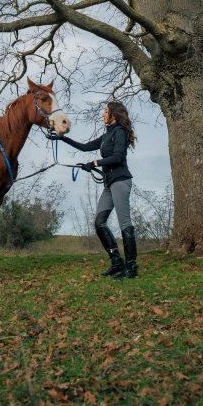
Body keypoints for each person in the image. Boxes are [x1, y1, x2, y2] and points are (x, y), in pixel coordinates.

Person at [60, 100, 138, 279]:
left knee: (125, 224)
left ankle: (131, 268)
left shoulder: (120, 132)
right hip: (109, 184)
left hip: (121, 181)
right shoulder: (107, 134)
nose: (103, 114)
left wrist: (94, 163)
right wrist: (62, 138)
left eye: (106, 111)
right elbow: (85, 146)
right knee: (99, 222)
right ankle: (117, 262)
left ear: (114, 114)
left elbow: (118, 157)